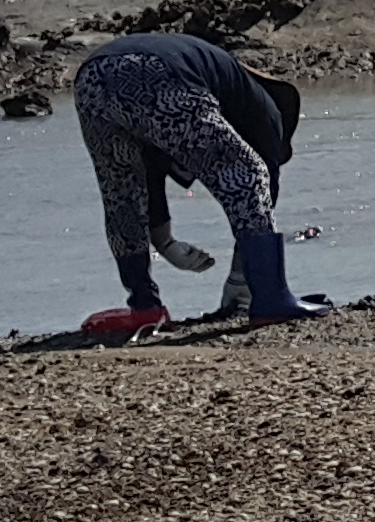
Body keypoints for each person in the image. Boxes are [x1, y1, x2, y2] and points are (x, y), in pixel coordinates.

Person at [73, 30, 323, 335]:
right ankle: (271, 299)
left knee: (121, 190)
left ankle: (145, 308)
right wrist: (242, 281)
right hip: (160, 73)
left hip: (92, 78)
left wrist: (164, 242)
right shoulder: (269, 113)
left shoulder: (217, 76)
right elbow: (260, 182)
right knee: (247, 172)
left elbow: (145, 174)